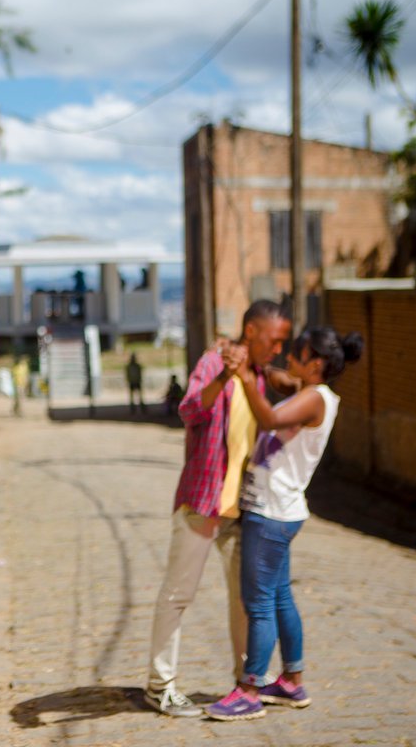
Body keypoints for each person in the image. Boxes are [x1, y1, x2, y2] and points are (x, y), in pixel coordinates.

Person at [204, 328, 363, 721]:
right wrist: (254, 365)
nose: (289, 358)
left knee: (257, 602)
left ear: (315, 363)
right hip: (279, 510)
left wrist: (244, 377)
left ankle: (249, 690)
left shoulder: (314, 398)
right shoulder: (309, 390)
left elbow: (270, 418)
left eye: (296, 354)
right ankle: (291, 681)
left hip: (271, 512)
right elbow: (279, 378)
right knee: (278, 598)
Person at [143, 300, 292, 717]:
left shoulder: (257, 374)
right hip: (203, 501)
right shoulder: (214, 362)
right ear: (251, 331)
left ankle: (247, 681)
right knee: (178, 594)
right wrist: (224, 375)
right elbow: (189, 409)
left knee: (244, 600)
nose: (277, 348)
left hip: (242, 508)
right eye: (273, 340)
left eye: (282, 342)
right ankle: (160, 685)